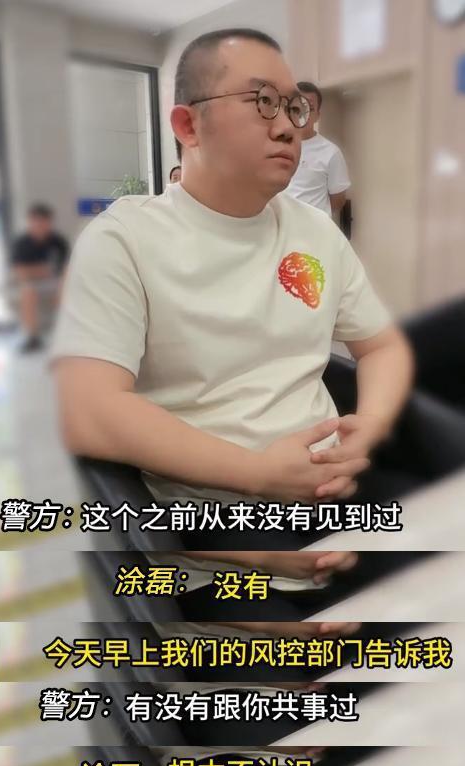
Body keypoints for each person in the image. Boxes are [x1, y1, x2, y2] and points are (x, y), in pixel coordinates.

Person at [51, 28, 412, 525]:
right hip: (217, 523)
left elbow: (383, 346)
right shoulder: (123, 239)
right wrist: (259, 475)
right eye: (263, 102)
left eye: (294, 108)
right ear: (188, 125)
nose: (288, 128)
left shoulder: (315, 231)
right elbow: (86, 409)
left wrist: (367, 428)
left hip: (335, 488)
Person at [285, 81, 350, 218]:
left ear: (317, 116)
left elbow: (338, 199)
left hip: (314, 228)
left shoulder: (331, 152)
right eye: (297, 108)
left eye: (310, 108)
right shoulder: (277, 146)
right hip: (282, 226)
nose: (303, 113)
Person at [11, 203, 69, 352]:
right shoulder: (22, 243)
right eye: (36, 221)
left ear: (50, 222)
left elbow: (65, 267)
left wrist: (39, 270)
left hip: (55, 281)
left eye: (44, 221)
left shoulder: (58, 241)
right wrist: (43, 270)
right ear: (30, 222)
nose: (40, 225)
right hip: (32, 283)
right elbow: (20, 272)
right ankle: (33, 338)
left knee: (64, 287)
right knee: (27, 292)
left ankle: (64, 334)